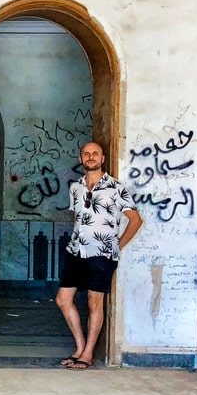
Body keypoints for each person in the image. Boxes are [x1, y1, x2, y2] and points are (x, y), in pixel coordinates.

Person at [56, 140, 142, 370]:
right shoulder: (75, 187)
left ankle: (88, 354)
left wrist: (117, 245)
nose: (91, 157)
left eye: (95, 154)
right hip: (76, 250)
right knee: (63, 300)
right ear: (80, 159)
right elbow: (77, 218)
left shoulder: (116, 188)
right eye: (86, 154)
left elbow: (135, 221)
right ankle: (80, 347)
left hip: (102, 254)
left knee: (95, 303)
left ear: (103, 158)